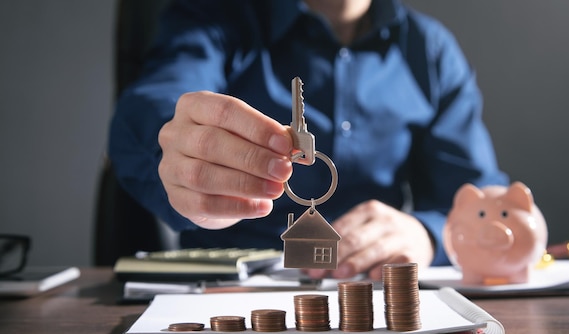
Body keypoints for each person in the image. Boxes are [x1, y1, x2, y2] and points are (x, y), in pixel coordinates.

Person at [109, 0, 508, 280]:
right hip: (233, 286)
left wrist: (426, 234)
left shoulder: (430, 50)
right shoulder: (212, 17)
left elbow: (479, 199)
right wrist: (179, 150)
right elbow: (152, 107)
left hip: (373, 288)